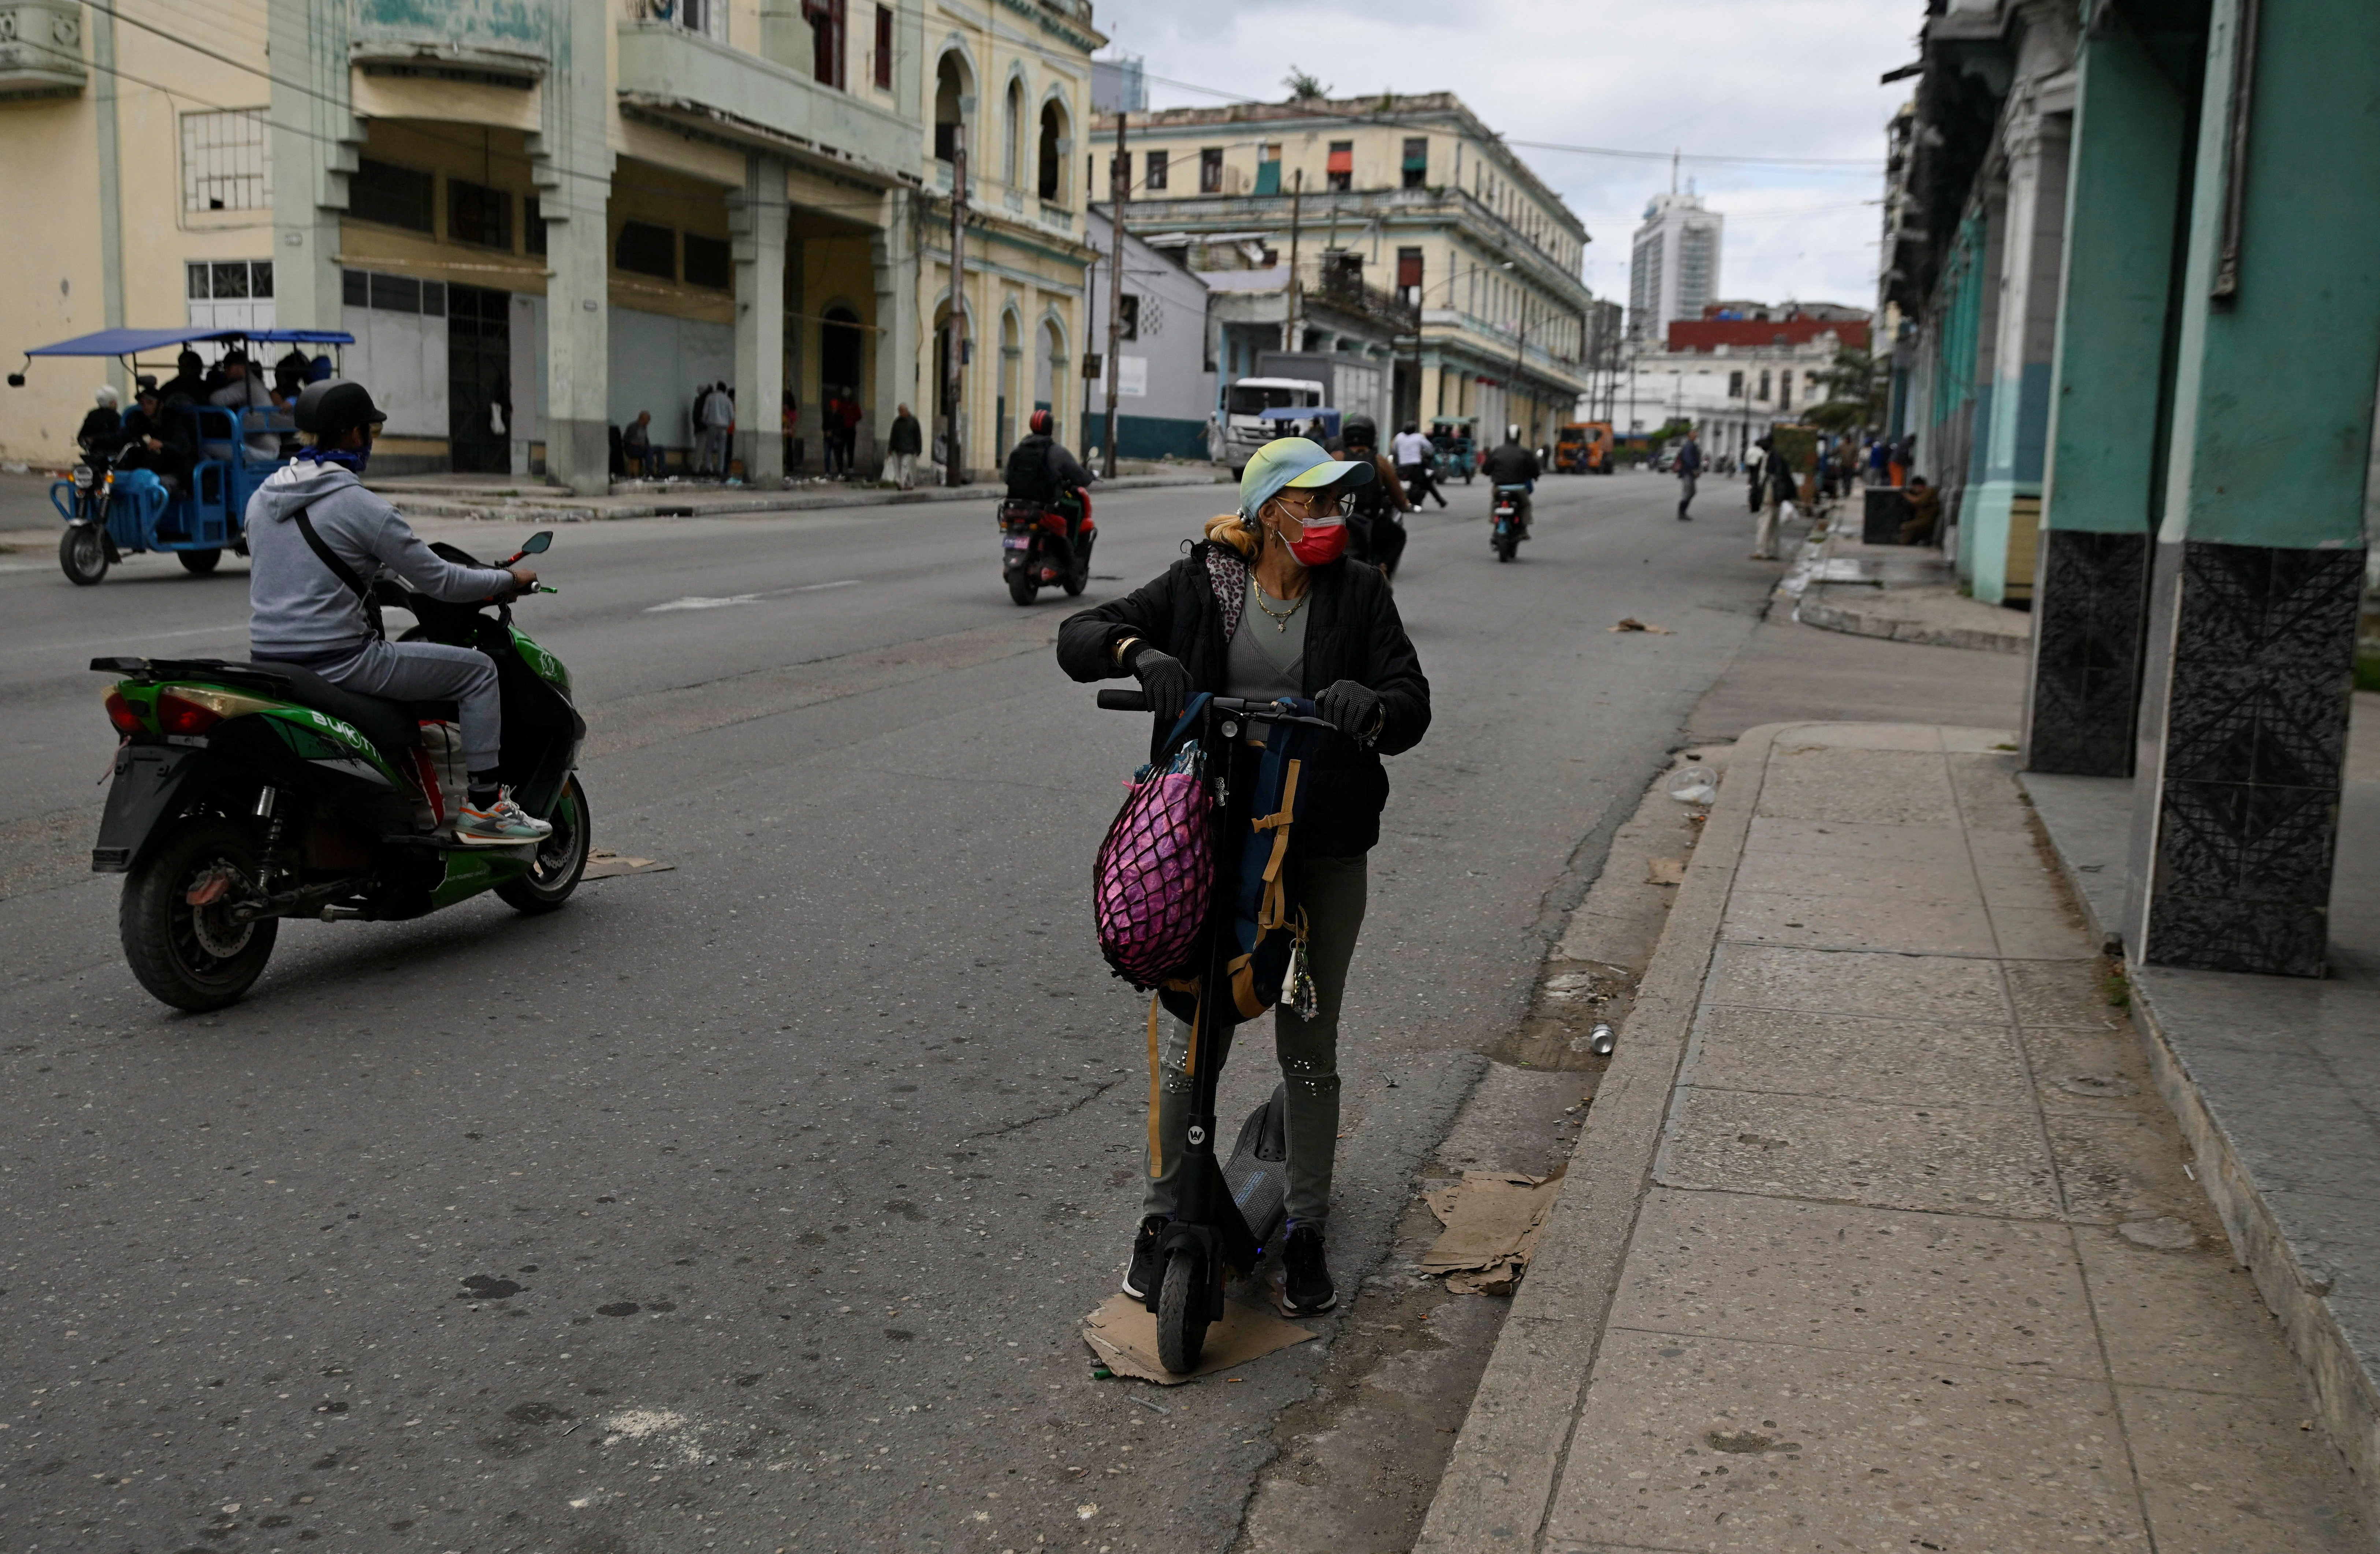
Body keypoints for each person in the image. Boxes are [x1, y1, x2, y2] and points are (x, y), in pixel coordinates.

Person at [1056, 436, 1432, 1315]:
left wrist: (1368, 708)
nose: (1335, 519)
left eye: (1341, 504)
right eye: (1318, 504)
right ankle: (1160, 1220)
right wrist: (1134, 655)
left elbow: (1410, 700)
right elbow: (1079, 635)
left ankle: (1304, 1227)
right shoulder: (1203, 585)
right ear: (1270, 513)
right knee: (1191, 1038)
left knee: (1306, 1041)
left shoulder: (1359, 592)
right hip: (1212, 849)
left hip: (1321, 848)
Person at [245, 380, 551, 845]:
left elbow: (303, 572)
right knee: (480, 673)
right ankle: (485, 808)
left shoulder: (262, 499)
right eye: (370, 431)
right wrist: (510, 580)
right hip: (342, 662)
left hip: (269, 660)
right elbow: (442, 581)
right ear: (352, 436)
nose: (370, 442)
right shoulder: (362, 507)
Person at [1339, 417, 1414, 577]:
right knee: (1399, 537)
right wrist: (1405, 505)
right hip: (1370, 522)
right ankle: (1384, 570)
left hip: (1340, 521)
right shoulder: (1379, 461)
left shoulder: (1335, 458)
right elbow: (1399, 498)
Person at [109, 382, 195, 490]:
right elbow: (123, 435)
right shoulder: (140, 421)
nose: (146, 407)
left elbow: (183, 448)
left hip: (172, 470)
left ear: (160, 404)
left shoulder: (173, 422)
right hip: (145, 471)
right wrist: (96, 440)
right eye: (143, 404)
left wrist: (162, 445)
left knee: (150, 485)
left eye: (150, 403)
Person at [208, 350, 287, 465]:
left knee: (205, 447)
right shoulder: (256, 384)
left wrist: (217, 383)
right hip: (267, 448)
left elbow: (215, 400)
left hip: (260, 450)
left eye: (228, 368)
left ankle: (210, 480)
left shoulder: (247, 386)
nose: (226, 371)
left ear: (240, 367)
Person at [1481, 424, 1540, 534]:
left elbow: (1486, 470)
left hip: (1500, 488)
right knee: (1526, 505)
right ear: (1519, 437)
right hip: (1519, 488)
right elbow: (1535, 469)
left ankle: (1494, 521)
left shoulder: (1497, 451)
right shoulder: (1525, 453)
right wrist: (1535, 476)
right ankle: (1524, 529)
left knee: (1495, 502)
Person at [1391, 421, 1444, 509]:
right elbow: (1430, 449)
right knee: (1427, 483)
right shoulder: (1419, 437)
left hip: (1402, 467)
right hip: (1415, 468)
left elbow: (1394, 450)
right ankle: (1440, 501)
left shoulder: (1399, 437)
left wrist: (1397, 462)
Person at [700, 381, 735, 478]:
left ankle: (709, 468)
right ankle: (720, 470)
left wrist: (705, 422)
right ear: (725, 390)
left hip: (712, 426)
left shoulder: (710, 398)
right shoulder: (728, 400)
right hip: (723, 427)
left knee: (709, 448)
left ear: (717, 388)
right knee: (722, 450)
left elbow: (705, 412)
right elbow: (732, 416)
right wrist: (727, 424)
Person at [886, 402, 923, 489]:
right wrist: (891, 448)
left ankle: (901, 483)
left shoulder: (914, 421)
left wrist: (919, 449)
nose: (900, 413)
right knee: (901, 468)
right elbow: (893, 435)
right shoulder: (897, 422)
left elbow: (918, 436)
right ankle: (910, 484)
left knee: (905, 466)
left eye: (902, 411)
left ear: (906, 411)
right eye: (899, 411)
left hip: (909, 449)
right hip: (898, 449)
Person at [77, 386, 121, 456]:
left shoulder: (92, 415)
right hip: (111, 455)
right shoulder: (115, 416)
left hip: (93, 454)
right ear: (112, 402)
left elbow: (81, 437)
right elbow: (118, 438)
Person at [1900, 476, 1942, 547]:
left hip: (1927, 520)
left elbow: (1918, 501)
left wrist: (1906, 495)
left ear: (1919, 486)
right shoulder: (1924, 493)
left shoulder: (1930, 492)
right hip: (1922, 519)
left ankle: (1904, 544)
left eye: (1914, 487)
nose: (1914, 490)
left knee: (1906, 527)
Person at [621, 410, 660, 478]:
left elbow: (646, 441)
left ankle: (661, 470)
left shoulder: (644, 428)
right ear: (643, 419)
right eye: (648, 420)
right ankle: (650, 471)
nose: (649, 422)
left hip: (643, 448)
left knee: (660, 449)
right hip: (634, 449)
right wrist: (637, 444)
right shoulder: (633, 427)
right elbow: (626, 440)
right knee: (648, 450)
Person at [1674, 429, 1703, 521]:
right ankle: (1681, 512)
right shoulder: (1689, 446)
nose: (1696, 435)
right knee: (1688, 492)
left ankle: (1683, 512)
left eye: (1696, 433)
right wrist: (1695, 470)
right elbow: (1688, 459)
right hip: (1687, 472)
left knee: (1692, 492)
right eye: (1694, 433)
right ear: (1689, 435)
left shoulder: (1692, 445)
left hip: (1689, 472)